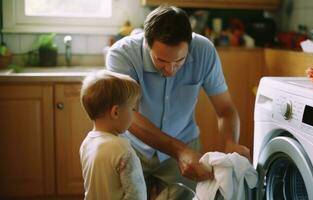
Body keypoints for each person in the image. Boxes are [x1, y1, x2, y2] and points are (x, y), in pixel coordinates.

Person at [106, 5, 251, 199]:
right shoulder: (121, 55)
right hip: (132, 149)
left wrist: (231, 142)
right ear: (147, 44)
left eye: (179, 61)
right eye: (162, 61)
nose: (170, 70)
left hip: (184, 143)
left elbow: (225, 110)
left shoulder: (204, 51)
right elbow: (128, 116)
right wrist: (180, 150)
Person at [79, 70, 146, 200]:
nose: (134, 114)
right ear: (115, 112)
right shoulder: (122, 149)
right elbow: (137, 195)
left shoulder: (86, 143)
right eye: (132, 108)